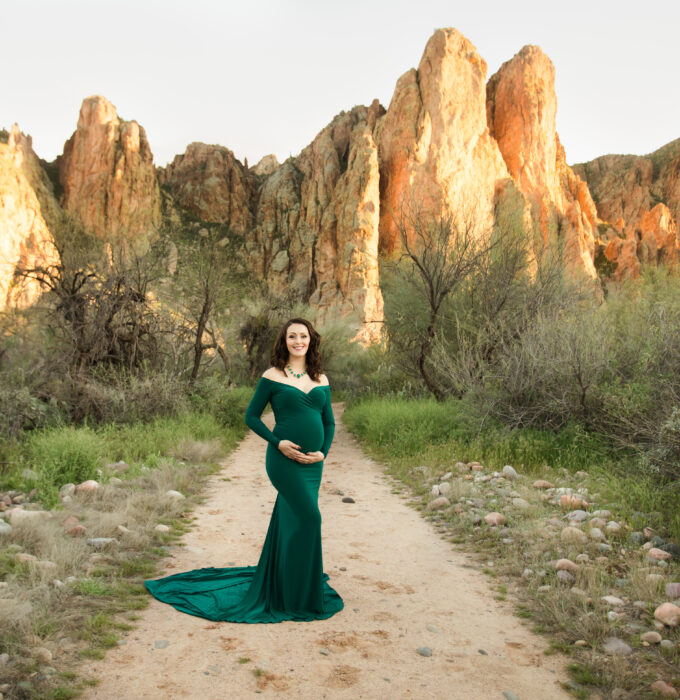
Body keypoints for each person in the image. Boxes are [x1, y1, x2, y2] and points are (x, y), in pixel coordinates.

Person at [144, 317, 344, 623]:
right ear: (284, 341)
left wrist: (323, 453)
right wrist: (278, 443)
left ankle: (290, 584)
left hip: (312, 466)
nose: (298, 341)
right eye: (292, 336)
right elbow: (251, 417)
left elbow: (329, 422)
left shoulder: (321, 379)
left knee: (291, 520)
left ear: (311, 340)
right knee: (310, 517)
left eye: (303, 336)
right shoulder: (272, 375)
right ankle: (296, 594)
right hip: (283, 462)